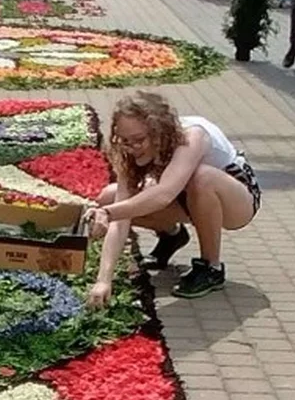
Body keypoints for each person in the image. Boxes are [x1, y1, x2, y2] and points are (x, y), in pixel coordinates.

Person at [84, 92, 261, 303]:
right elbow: (120, 217)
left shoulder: (192, 136)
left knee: (201, 177)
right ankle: (171, 236)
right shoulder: (128, 152)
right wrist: (104, 280)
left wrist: (108, 213)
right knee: (109, 196)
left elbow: (164, 195)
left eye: (139, 140)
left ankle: (210, 267)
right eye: (125, 140)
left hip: (236, 202)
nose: (132, 148)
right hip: (185, 198)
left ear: (159, 132)